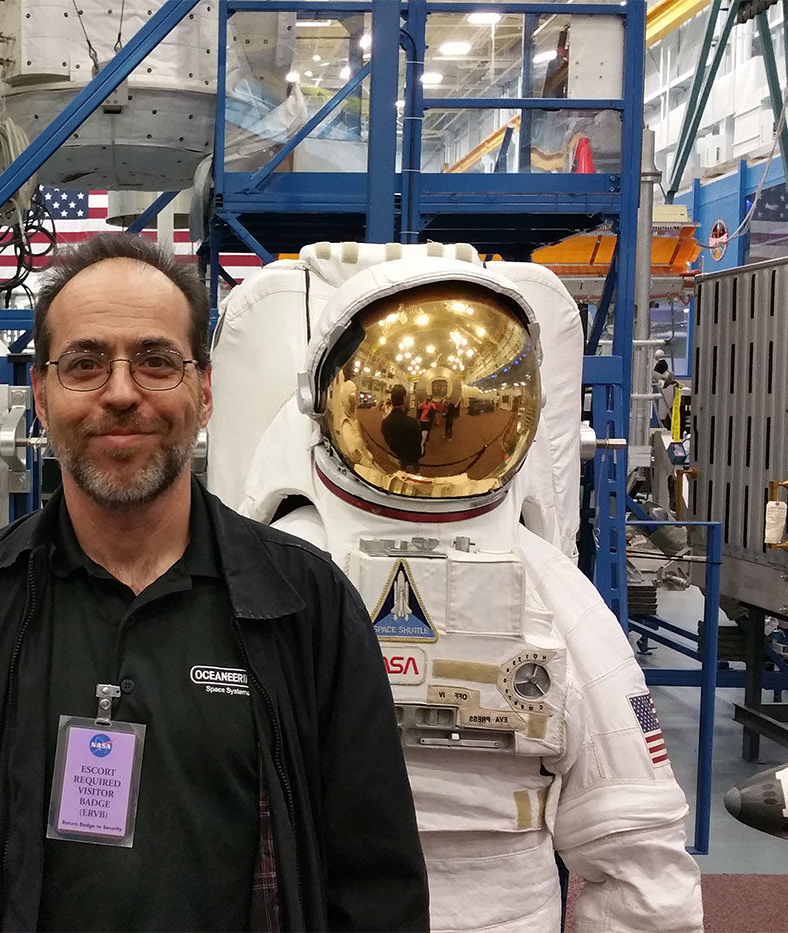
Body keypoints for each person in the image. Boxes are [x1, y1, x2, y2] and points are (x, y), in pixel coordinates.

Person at [0, 233, 428, 932]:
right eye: (84, 363)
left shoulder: (305, 604)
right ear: (41, 399)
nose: (119, 392)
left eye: (155, 361)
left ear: (203, 393)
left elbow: (379, 892)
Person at [250, 256, 702, 931]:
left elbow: (638, 846)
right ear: (324, 396)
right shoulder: (279, 569)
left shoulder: (547, 586)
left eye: (471, 406)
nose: (440, 421)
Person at [382, 385, 424, 472]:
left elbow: (389, 442)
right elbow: (417, 442)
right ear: (404, 399)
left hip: (396, 457)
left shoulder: (385, 422)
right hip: (412, 460)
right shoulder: (412, 422)